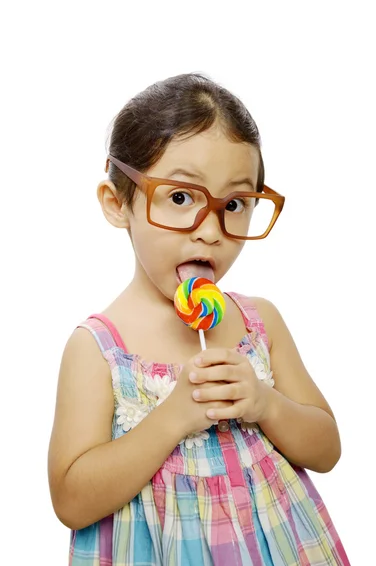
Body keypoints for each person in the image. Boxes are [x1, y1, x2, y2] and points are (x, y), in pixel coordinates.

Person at [48, 73, 350, 565]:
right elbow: (71, 501)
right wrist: (171, 419)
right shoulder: (99, 348)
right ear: (118, 203)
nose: (210, 231)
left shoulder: (259, 323)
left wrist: (266, 403)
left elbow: (327, 449)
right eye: (181, 197)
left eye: (233, 204)